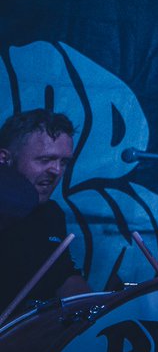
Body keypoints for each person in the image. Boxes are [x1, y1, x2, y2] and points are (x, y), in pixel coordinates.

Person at [0, 109, 91, 315]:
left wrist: (105, 310)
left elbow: (62, 276)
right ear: (3, 158)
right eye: (44, 160)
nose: (56, 171)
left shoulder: (50, 214)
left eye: (63, 162)